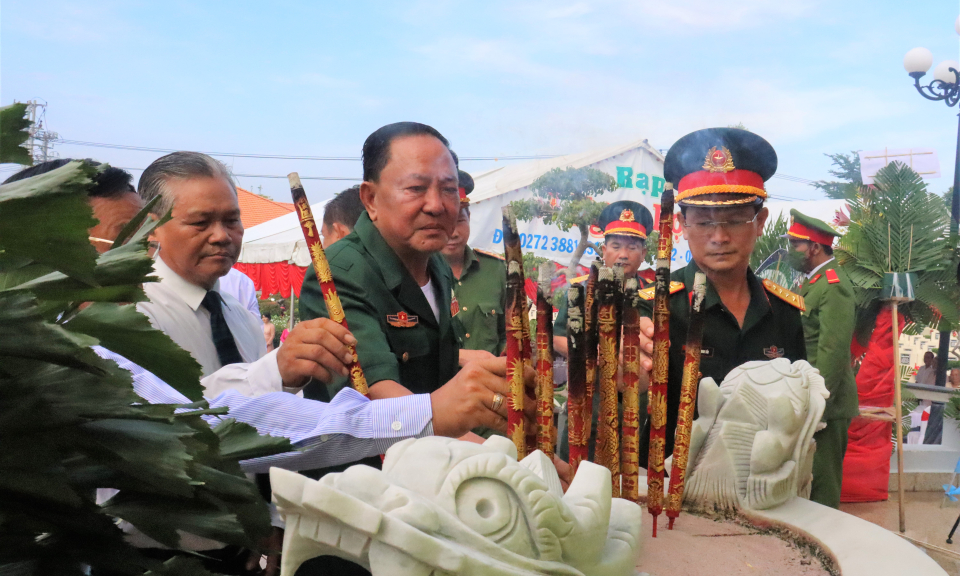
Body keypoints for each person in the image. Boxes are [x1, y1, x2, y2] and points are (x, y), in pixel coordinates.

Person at [5, 158, 538, 576]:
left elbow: (231, 409)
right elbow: (202, 424)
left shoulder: (234, 310)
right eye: (125, 240)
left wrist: (270, 517)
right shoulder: (89, 331)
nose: (437, 209)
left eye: (231, 219)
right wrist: (425, 413)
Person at [635, 127, 807, 468]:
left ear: (760, 221)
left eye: (735, 220)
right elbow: (629, 381)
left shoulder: (783, 311)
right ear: (683, 225)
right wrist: (629, 367)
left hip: (760, 480)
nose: (719, 236)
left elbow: (799, 400)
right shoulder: (655, 306)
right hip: (669, 482)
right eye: (703, 222)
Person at [299, 122, 463, 404]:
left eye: (449, 189)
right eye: (416, 188)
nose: (436, 205)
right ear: (371, 199)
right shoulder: (338, 272)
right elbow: (378, 397)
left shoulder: (438, 266)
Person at [551, 200, 654, 460]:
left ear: (643, 253)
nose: (623, 254)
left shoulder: (654, 296)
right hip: (588, 404)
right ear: (604, 250)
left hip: (635, 412)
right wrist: (594, 352)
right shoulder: (581, 291)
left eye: (632, 247)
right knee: (577, 472)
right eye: (616, 246)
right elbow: (558, 337)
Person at [786, 209, 857, 509]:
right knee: (805, 480)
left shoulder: (833, 286)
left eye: (796, 244)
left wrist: (820, 406)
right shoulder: (812, 282)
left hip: (828, 402)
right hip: (811, 396)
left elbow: (833, 351)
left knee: (822, 484)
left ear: (814, 247)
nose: (791, 250)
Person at [441, 169, 507, 362]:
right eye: (445, 223)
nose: (453, 233)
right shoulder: (418, 272)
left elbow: (510, 334)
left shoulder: (496, 270)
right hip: (440, 381)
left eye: (459, 221)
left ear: (469, 217)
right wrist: (460, 357)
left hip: (492, 378)